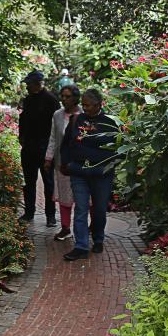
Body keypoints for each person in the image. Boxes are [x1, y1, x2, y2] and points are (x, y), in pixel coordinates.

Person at [60, 88, 119, 261]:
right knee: (80, 209)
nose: (85, 109)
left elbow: (115, 149)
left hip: (102, 174)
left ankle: (98, 239)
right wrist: (67, 163)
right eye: (83, 105)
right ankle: (81, 246)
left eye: (88, 105)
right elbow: (66, 145)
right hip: (79, 172)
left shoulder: (110, 122)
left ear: (99, 104)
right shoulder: (76, 120)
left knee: (99, 209)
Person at [17, 70, 59, 225]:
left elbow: (57, 125)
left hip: (45, 146)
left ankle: (50, 215)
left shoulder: (51, 100)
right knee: (29, 182)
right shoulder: (27, 100)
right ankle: (29, 213)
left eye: (29, 84)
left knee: (48, 183)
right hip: (29, 147)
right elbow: (23, 120)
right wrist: (22, 138)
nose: (27, 87)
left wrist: (53, 149)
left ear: (38, 84)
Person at [44, 84, 82, 241]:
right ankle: (65, 228)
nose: (64, 100)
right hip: (63, 163)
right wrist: (48, 158)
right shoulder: (57, 115)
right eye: (63, 96)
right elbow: (53, 138)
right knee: (64, 196)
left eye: (68, 97)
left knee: (83, 198)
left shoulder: (84, 113)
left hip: (81, 163)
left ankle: (87, 228)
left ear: (75, 98)